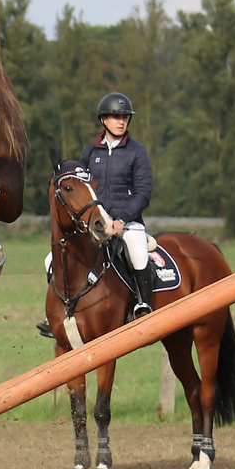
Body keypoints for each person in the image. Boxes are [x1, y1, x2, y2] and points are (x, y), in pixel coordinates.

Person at [82, 92, 155, 317]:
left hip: (127, 223)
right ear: (103, 119)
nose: (121, 121)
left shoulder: (137, 152)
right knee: (51, 259)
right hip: (95, 223)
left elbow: (143, 193)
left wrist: (121, 219)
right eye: (115, 117)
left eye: (124, 117)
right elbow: (81, 187)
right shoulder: (90, 152)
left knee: (138, 251)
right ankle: (57, 309)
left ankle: (143, 305)